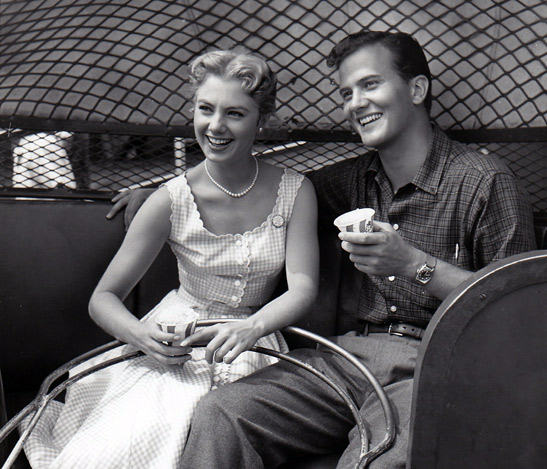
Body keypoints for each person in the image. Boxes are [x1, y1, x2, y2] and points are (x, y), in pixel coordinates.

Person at [107, 31, 536, 468]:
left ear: (417, 89)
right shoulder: (353, 179)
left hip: (436, 361)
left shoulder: (484, 181)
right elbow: (255, 187)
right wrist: (165, 193)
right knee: (221, 414)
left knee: (376, 459)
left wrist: (414, 265)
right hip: (349, 358)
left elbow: (522, 315)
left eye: (370, 84)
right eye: (346, 93)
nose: (355, 103)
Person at [19, 50, 319, 468]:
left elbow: (303, 287)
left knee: (215, 432)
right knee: (134, 439)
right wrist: (141, 337)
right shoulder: (169, 199)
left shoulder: (295, 190)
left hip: (251, 338)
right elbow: (103, 297)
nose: (215, 126)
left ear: (260, 120)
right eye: (205, 109)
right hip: (176, 339)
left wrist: (253, 325)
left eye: (234, 113)